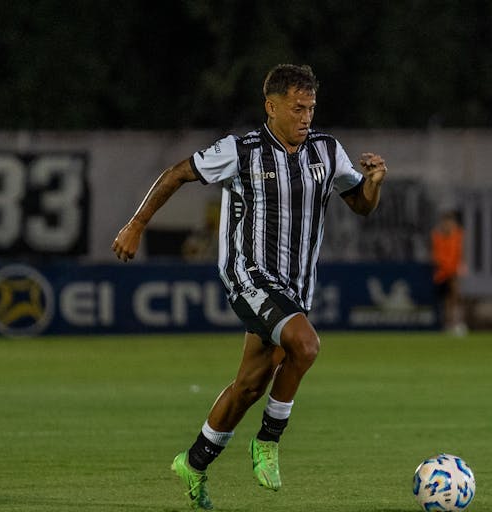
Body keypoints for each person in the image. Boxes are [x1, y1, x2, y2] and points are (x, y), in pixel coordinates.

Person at [112, 64, 386, 510]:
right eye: (297, 108)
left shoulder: (327, 150)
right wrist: (136, 224)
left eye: (311, 108)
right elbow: (178, 172)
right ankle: (268, 441)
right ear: (271, 106)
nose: (306, 117)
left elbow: (360, 205)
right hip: (248, 275)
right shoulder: (241, 151)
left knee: (251, 385)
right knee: (307, 346)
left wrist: (373, 184)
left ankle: (195, 462)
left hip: (295, 286)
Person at [431, 209, 467, 336]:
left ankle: (457, 323)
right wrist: (447, 269)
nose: (447, 225)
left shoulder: (458, 235)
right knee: (447, 300)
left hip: (454, 272)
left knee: (455, 298)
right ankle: (449, 324)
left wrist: (457, 269)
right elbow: (436, 256)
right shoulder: (437, 237)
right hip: (443, 274)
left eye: (449, 222)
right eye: (445, 222)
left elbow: (460, 254)